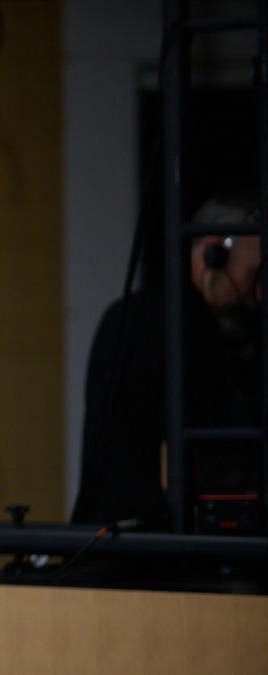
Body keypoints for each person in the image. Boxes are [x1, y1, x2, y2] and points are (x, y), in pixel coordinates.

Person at [72, 188, 262, 529]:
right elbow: (175, 467)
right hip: (152, 550)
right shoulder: (191, 324)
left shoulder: (123, 312)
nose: (254, 295)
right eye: (252, 276)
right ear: (214, 252)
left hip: (100, 536)